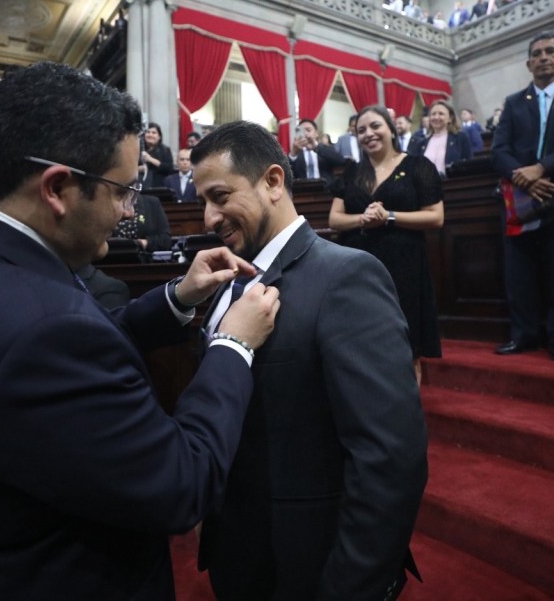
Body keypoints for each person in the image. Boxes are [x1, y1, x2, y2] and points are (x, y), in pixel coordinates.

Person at [0, 62, 280, 599]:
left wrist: (176, 297)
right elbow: (180, 484)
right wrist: (233, 344)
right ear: (57, 188)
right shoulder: (44, 331)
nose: (128, 212)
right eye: (122, 191)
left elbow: (68, 344)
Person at [191, 120, 427, 601]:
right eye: (202, 203)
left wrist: (350, 586)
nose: (208, 219)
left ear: (273, 182)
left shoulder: (347, 276)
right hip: (241, 554)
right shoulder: (222, 283)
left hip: (308, 565)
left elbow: (389, 459)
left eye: (220, 196)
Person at [490, 31, 554, 362]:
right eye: (537, 53)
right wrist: (525, 179)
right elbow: (499, 151)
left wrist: (541, 169)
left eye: (551, 51)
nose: (544, 57)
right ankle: (524, 335)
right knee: (520, 276)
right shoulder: (513, 103)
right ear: (528, 63)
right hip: (520, 200)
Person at [329, 105, 445, 382]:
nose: (368, 134)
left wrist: (389, 217)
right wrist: (363, 219)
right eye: (361, 130)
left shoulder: (418, 166)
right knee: (362, 341)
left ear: (391, 128)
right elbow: (334, 220)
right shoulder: (352, 172)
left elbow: (436, 217)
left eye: (375, 126)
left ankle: (406, 418)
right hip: (358, 267)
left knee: (406, 344)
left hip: (404, 266)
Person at [407, 100, 471, 177]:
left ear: (450, 118)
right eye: (433, 114)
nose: (436, 117)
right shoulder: (421, 143)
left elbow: (468, 164)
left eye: (441, 114)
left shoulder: (461, 137)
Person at [289, 118, 345, 185]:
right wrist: (293, 154)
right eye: (302, 131)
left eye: (308, 130)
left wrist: (316, 148)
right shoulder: (296, 152)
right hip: (302, 191)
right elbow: (288, 174)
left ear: (316, 134)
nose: (306, 134)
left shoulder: (326, 149)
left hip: (326, 190)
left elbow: (341, 161)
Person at [141, 121, 174, 189]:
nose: (150, 135)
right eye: (148, 132)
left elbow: (169, 168)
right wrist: (139, 169)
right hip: (141, 185)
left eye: (154, 133)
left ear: (159, 136)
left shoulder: (165, 150)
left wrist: (150, 159)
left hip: (159, 186)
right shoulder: (138, 149)